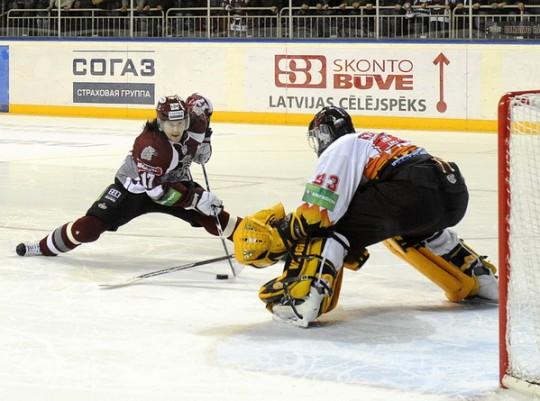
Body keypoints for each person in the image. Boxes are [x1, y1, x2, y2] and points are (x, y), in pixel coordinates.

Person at [233, 106, 498, 327]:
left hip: (412, 191)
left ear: (324, 135)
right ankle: (479, 278)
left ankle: (304, 298)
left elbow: (319, 212)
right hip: (452, 195)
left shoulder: (342, 146)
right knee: (412, 230)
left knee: (330, 229)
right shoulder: (371, 141)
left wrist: (283, 234)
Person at [16, 94, 240, 257]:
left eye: (181, 123)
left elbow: (201, 158)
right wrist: (195, 199)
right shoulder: (151, 148)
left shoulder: (197, 124)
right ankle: (42, 247)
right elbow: (158, 194)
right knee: (85, 230)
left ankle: (256, 241)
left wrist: (206, 133)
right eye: (170, 124)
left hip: (173, 181)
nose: (176, 129)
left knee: (214, 215)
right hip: (135, 189)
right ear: (160, 123)